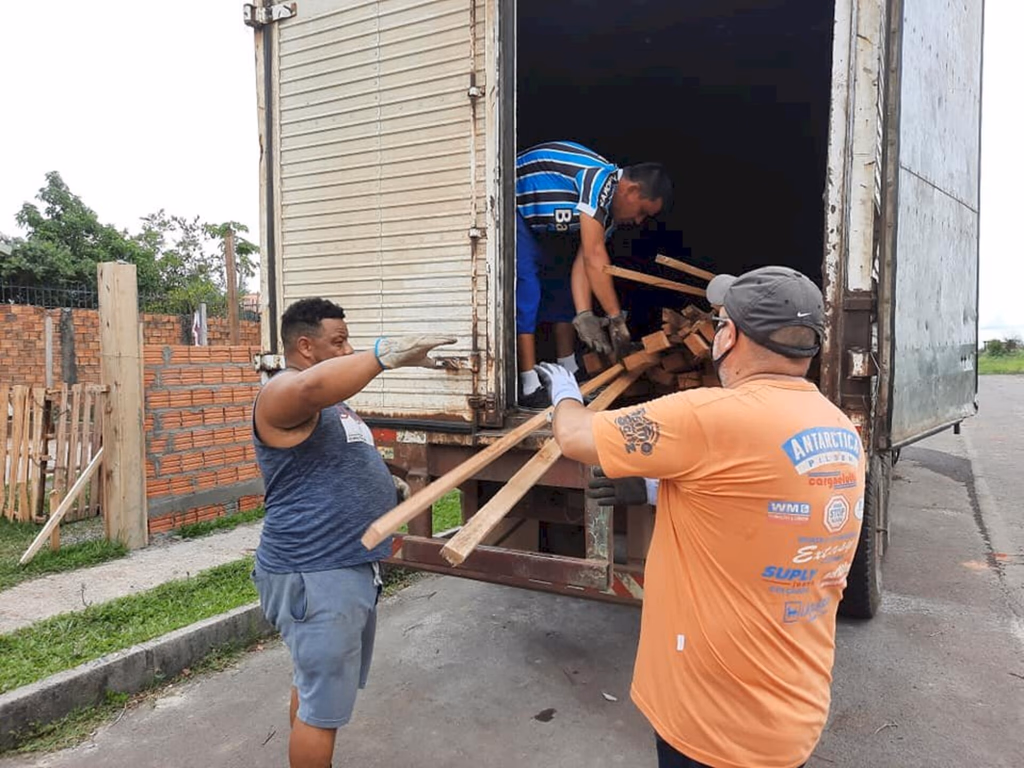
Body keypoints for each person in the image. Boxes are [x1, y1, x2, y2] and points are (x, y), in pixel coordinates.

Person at [537, 266, 865, 768]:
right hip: (792, 713)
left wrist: (565, 393)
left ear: (729, 336)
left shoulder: (709, 416)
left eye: (720, 323)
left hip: (710, 724)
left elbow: (576, 436)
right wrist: (652, 488)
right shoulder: (839, 430)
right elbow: (757, 498)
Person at [251, 297, 453, 768]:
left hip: (338, 568)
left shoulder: (332, 406)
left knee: (314, 690)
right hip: (316, 571)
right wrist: (384, 354)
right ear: (305, 346)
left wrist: (384, 483)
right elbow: (309, 388)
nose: (348, 350)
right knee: (322, 711)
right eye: (339, 342)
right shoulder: (281, 392)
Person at [515, 140, 673, 408]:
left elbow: (584, 264)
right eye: (642, 212)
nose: (638, 221)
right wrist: (615, 319)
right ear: (632, 190)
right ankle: (529, 384)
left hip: (544, 225)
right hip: (514, 208)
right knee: (528, 288)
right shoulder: (598, 180)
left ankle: (569, 371)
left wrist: (584, 314)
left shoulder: (608, 216)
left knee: (563, 288)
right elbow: (594, 255)